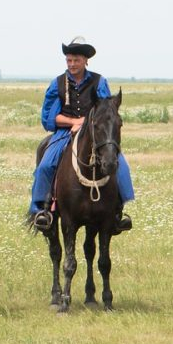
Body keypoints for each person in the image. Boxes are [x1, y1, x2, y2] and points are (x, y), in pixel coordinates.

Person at [29, 36, 134, 233]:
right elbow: (49, 118)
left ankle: (117, 213)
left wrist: (86, 124)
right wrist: (74, 122)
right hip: (63, 134)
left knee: (122, 167)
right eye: (69, 60)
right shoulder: (57, 84)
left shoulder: (99, 81)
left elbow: (106, 111)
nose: (72, 64)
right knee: (45, 166)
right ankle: (41, 210)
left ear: (86, 60)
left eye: (76, 60)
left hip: (94, 134)